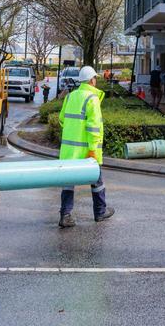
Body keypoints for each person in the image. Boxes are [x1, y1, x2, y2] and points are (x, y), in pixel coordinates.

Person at [57, 66, 115, 227]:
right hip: (87, 150)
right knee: (97, 181)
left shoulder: (70, 97)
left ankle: (65, 215)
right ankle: (100, 212)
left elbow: (62, 119)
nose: (96, 81)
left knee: (68, 182)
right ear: (91, 80)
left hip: (69, 150)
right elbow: (94, 127)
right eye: (95, 78)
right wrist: (92, 149)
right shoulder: (92, 98)